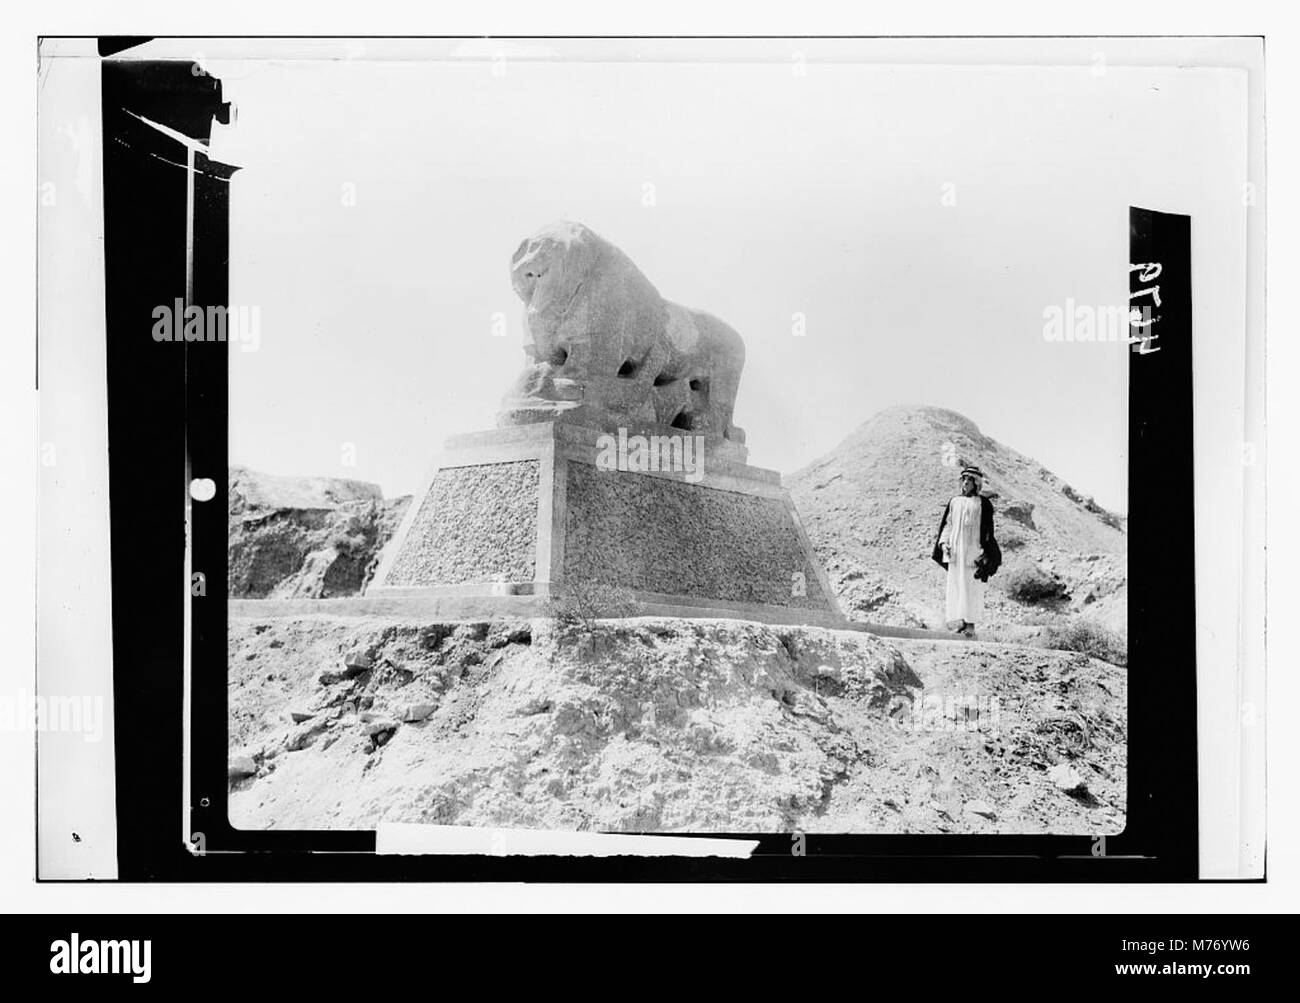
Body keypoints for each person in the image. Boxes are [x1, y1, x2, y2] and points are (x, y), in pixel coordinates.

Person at [931, 465, 1001, 636]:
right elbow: (948, 524)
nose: (966, 483)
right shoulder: (954, 502)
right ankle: (962, 622)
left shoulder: (982, 503)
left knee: (971, 587)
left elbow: (988, 530)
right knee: (957, 586)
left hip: (973, 551)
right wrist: (943, 543)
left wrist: (986, 551)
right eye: (964, 479)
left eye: (970, 480)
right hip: (955, 551)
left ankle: (970, 626)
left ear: (976, 484)